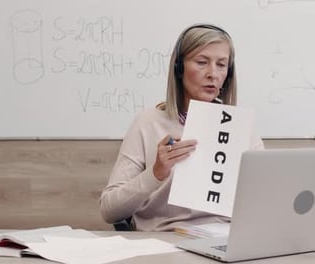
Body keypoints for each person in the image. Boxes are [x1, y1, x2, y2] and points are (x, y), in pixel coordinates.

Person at [99, 24, 264, 231]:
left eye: (222, 65)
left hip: (225, 239)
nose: (213, 74)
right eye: (202, 62)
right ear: (179, 68)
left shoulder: (240, 126)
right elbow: (109, 210)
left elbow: (263, 198)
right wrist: (156, 172)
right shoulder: (148, 123)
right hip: (164, 240)